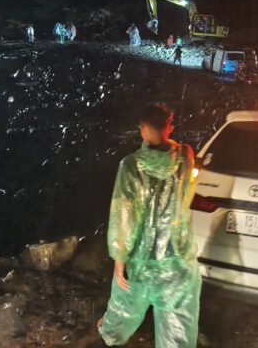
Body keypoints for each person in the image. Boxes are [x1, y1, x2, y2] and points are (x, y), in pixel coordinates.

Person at [97, 103, 201, 347]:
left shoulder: (131, 165)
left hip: (141, 262)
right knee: (177, 330)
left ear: (142, 128)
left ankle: (108, 335)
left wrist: (119, 260)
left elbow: (124, 215)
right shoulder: (186, 156)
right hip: (178, 262)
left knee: (123, 310)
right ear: (170, 127)